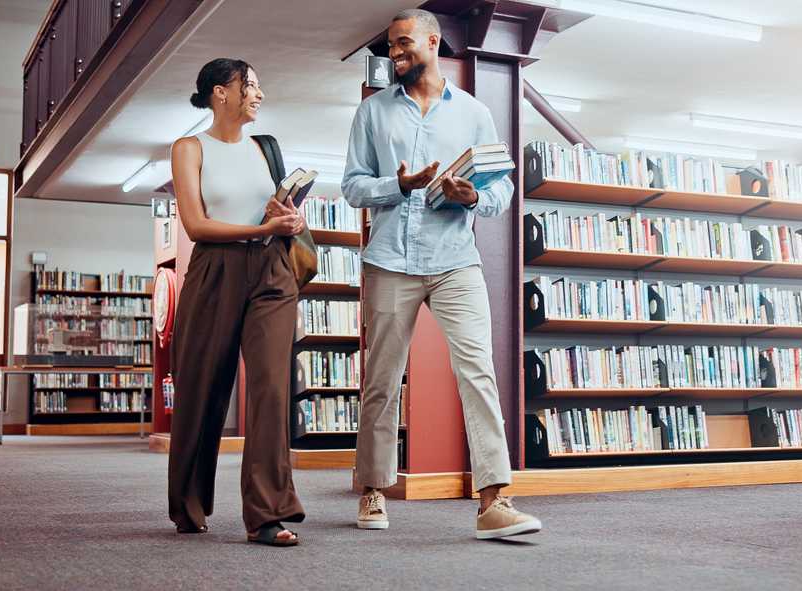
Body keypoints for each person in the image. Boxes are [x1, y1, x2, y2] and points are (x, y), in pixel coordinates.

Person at [342, 8, 541, 540]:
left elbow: (502, 190)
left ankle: (495, 500)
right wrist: (398, 185)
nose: (394, 53)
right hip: (389, 260)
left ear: (434, 41)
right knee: (381, 381)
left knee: (479, 375)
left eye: (404, 42)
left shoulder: (474, 113)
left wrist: (472, 195)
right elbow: (353, 186)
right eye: (390, 46)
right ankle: (374, 489)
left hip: (455, 260)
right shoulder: (373, 113)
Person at [168, 58, 307, 547]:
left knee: (271, 387)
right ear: (218, 93)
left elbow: (286, 218)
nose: (258, 93)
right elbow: (196, 225)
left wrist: (285, 221)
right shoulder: (189, 148)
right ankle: (189, 504)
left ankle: (268, 515)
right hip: (214, 270)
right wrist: (261, 227)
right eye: (249, 84)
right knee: (202, 386)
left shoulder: (266, 149)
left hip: (271, 272)